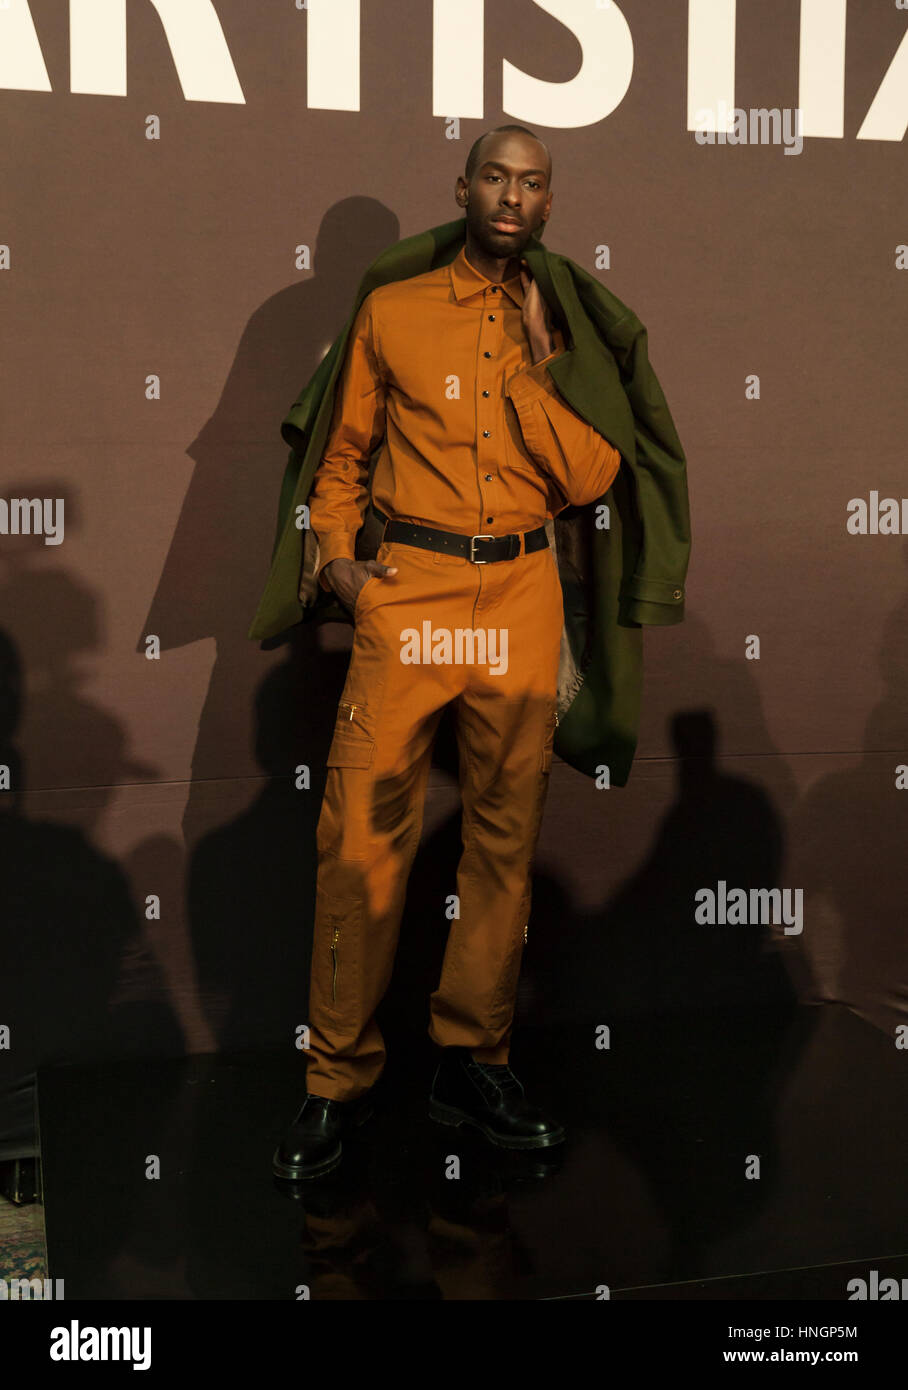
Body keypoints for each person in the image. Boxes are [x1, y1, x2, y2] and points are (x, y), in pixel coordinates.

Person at [273, 125, 622, 1181]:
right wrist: (337, 569)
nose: (511, 197)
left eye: (532, 183)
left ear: (548, 204)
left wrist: (524, 366)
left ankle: (472, 1060)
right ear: (461, 187)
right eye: (495, 176)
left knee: (501, 846)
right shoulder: (391, 311)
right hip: (411, 587)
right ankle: (335, 1079)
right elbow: (338, 462)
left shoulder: (562, 326)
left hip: (519, 589)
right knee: (356, 838)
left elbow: (592, 473)